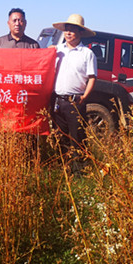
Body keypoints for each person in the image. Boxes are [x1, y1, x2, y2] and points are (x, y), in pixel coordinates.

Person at [51, 13, 97, 169]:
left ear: (80, 32)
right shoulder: (57, 50)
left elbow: (92, 78)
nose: (68, 33)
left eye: (72, 30)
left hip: (75, 102)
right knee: (59, 136)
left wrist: (84, 97)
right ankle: (62, 168)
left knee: (77, 137)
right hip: (57, 101)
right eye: (66, 29)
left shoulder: (87, 54)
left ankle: (80, 171)